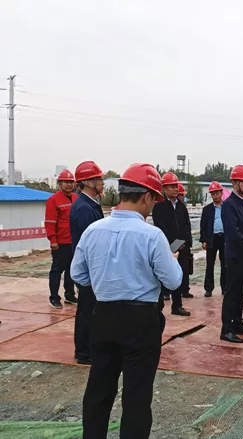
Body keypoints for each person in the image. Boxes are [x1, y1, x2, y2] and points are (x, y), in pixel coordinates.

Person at [71, 163, 182, 439]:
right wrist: (172, 260)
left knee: (99, 390)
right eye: (154, 199)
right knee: (137, 396)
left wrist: (106, 281)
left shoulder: (93, 231)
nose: (153, 206)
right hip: (141, 321)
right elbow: (173, 281)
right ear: (146, 196)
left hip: (103, 316)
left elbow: (78, 275)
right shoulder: (152, 235)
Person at [70, 160, 105, 365]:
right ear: (87, 182)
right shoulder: (83, 208)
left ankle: (88, 348)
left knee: (91, 309)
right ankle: (83, 351)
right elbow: (90, 243)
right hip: (89, 268)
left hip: (93, 267)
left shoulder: (91, 204)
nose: (101, 182)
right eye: (98, 179)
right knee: (87, 309)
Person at [220, 165, 243, 343]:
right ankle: (226, 329)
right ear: (234, 183)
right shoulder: (229, 205)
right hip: (235, 255)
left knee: (241, 291)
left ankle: (237, 323)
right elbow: (233, 232)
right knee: (232, 293)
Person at [152, 172, 192, 315]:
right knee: (164, 273)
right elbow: (160, 227)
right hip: (167, 247)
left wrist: (185, 242)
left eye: (176, 186)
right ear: (164, 188)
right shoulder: (159, 207)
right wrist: (173, 244)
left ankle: (177, 305)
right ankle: (160, 302)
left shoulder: (181, 206)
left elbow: (187, 226)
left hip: (182, 246)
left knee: (179, 274)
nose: (176, 189)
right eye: (172, 186)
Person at [45, 169, 78, 309]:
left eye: (71, 182)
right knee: (57, 270)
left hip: (73, 241)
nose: (69, 184)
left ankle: (69, 295)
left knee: (71, 270)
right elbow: (50, 222)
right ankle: (54, 298)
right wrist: (52, 239)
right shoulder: (53, 200)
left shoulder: (76, 198)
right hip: (60, 242)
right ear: (59, 183)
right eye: (66, 182)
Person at [200, 181, 226, 297]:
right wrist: (203, 240)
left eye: (217, 193)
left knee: (225, 264)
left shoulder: (227, 207)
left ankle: (225, 287)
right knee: (210, 264)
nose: (215, 196)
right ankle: (208, 288)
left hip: (224, 238)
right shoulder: (207, 209)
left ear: (221, 193)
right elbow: (203, 225)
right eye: (213, 194)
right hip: (212, 238)